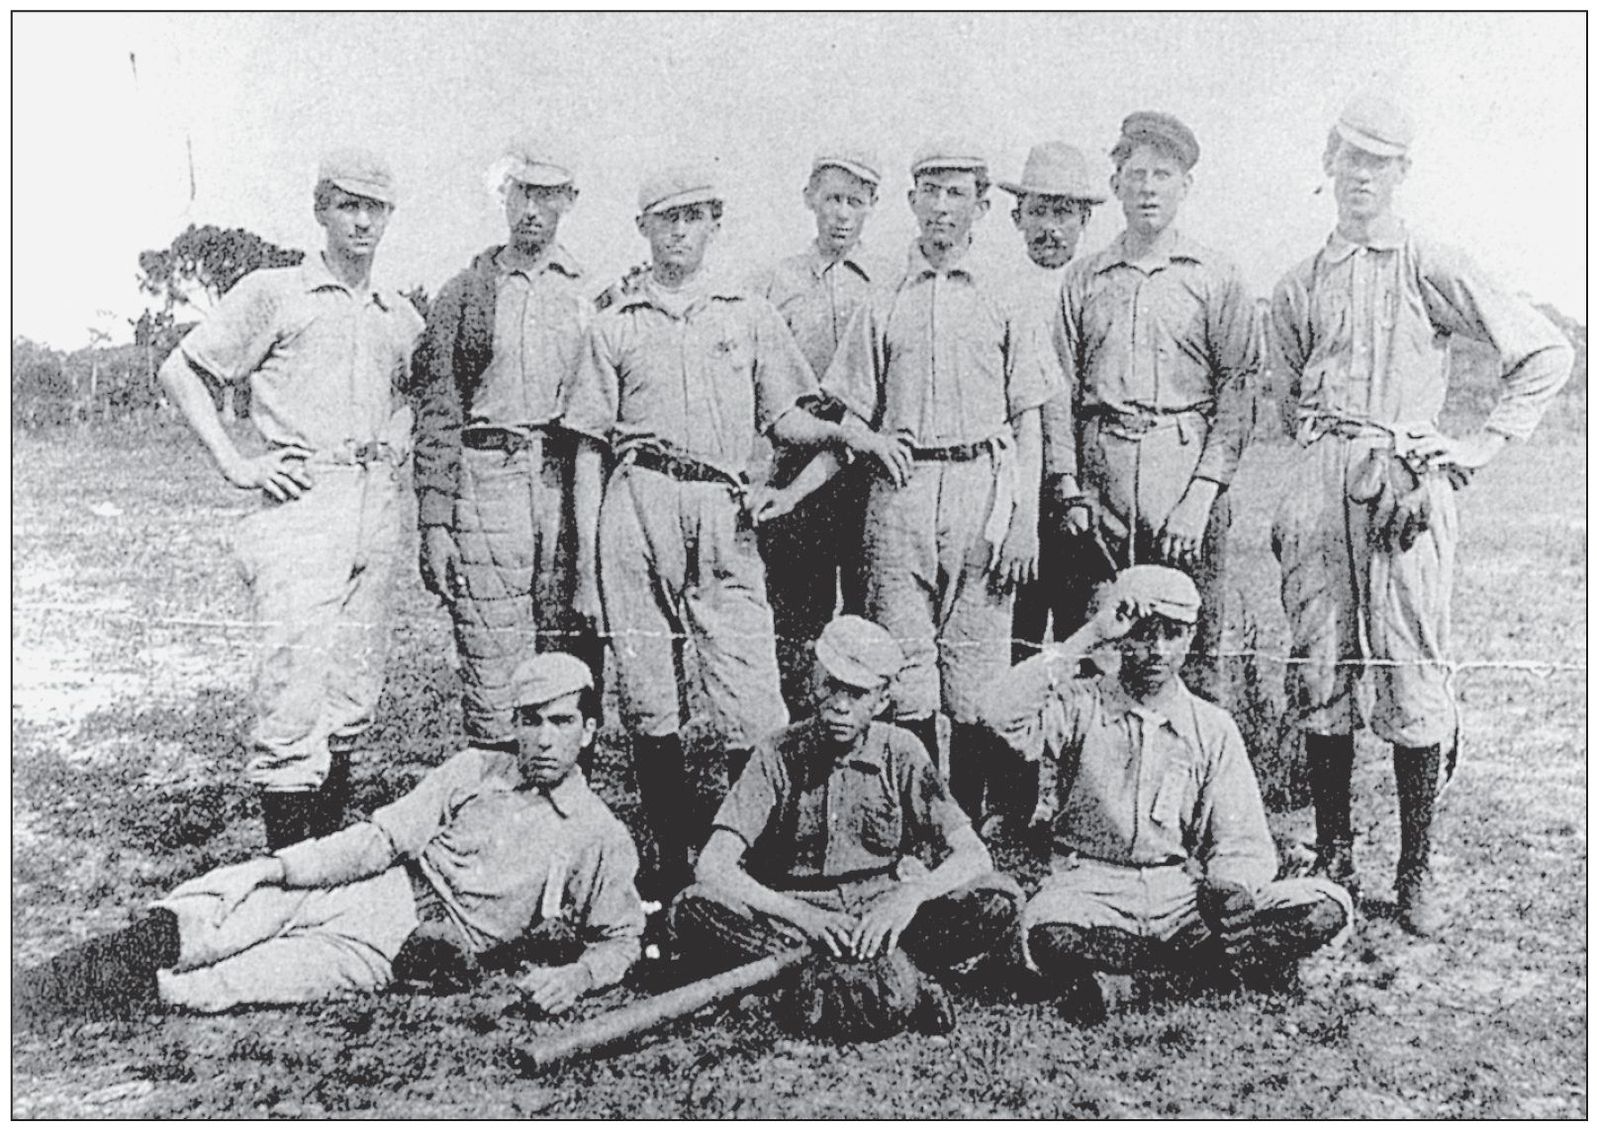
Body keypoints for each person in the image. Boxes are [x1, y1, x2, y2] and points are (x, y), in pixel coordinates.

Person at [1269, 94, 1573, 936]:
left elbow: (1544, 350)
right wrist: (1308, 479)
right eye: (1349, 157)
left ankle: (1416, 868)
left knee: (1410, 664)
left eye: (1379, 162)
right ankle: (1333, 853)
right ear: (1327, 163)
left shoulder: (1427, 261)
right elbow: (1285, 390)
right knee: (1319, 660)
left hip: (1406, 477)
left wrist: (1475, 445)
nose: (1360, 175)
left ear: (1401, 172)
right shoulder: (1300, 280)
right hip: (1324, 475)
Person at [563, 167, 901, 898]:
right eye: (665, 218)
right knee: (650, 690)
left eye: (694, 216)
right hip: (638, 498)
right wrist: (588, 573)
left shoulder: (745, 314)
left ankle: (752, 853)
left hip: (721, 504)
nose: (680, 231)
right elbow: (590, 447)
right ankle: (673, 856)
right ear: (643, 231)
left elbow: (785, 417)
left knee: (751, 694)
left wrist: (859, 437)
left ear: (715, 224)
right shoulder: (614, 322)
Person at [14, 654, 645, 1023]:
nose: (541, 739)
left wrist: (581, 978)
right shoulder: (476, 769)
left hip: (398, 949)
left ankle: (71, 1004)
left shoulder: (600, 837)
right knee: (216, 912)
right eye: (529, 722)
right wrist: (279, 868)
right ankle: (28, 994)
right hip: (376, 885)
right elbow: (379, 839)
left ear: (589, 730)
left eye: (561, 723)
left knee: (228, 982)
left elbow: (621, 937)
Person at [156, 150, 425, 848]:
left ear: (390, 215)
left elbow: (414, 397)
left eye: (375, 207)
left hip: (375, 506)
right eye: (347, 205)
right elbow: (181, 369)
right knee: (292, 694)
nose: (362, 221)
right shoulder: (277, 292)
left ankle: (323, 877)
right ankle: (288, 879)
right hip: (304, 503)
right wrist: (237, 464)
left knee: (350, 692)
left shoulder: (397, 314)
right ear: (320, 211)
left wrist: (396, 435)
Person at [799, 141, 1056, 822]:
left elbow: (1028, 417)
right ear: (911, 202)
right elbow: (852, 410)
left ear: (980, 205)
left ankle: (964, 829)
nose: (941, 207)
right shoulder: (883, 294)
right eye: (929, 192)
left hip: (981, 489)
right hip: (901, 493)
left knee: (975, 677)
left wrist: (1024, 521)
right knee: (905, 672)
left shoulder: (1007, 293)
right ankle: (915, 825)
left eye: (955, 193)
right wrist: (866, 441)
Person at [976, 565, 1353, 1019]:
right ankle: (1195, 975)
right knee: (1046, 934)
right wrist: (1087, 637)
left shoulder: (1211, 727)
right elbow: (996, 713)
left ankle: (1140, 982)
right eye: (1141, 633)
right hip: (1091, 891)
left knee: (1326, 906)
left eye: (1172, 634)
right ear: (1119, 637)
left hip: (1180, 897)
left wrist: (1230, 887)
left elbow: (1244, 841)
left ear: (1190, 638)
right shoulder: (1082, 705)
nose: (1156, 650)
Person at [673, 615, 1023, 1039]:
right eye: (830, 686)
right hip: (792, 921)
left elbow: (973, 853)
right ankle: (895, 979)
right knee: (694, 909)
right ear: (812, 682)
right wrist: (803, 916)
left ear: (881, 700)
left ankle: (806, 984)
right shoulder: (775, 754)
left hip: (883, 916)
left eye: (856, 693)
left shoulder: (903, 752)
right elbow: (713, 865)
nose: (840, 705)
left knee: (999, 897)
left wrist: (910, 897)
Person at [1051, 112, 1260, 704]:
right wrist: (1071, 490)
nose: (1147, 188)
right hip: (1101, 488)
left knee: (1188, 650)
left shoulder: (1216, 278)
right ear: (1115, 184)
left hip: (1184, 477)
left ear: (1185, 187)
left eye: (1162, 175)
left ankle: (1195, 791)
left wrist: (1201, 497)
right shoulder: (1085, 278)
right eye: (1135, 174)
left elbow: (1239, 392)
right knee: (1096, 651)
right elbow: (1059, 391)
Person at [411, 139, 598, 750]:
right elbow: (438, 409)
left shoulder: (588, 295)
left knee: (568, 648)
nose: (533, 211)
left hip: (565, 485)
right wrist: (436, 523)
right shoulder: (466, 292)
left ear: (568, 202)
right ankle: (497, 812)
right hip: (487, 479)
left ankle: (566, 821)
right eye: (522, 194)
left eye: (548, 197)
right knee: (493, 656)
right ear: (504, 197)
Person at [749, 148, 883, 715]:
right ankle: (800, 730)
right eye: (832, 199)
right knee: (796, 616)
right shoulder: (773, 283)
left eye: (856, 202)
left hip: (864, 471)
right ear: (809, 199)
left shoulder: (883, 285)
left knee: (864, 609)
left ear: (872, 207)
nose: (842, 215)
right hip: (795, 461)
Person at [1001, 141, 1109, 664]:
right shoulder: (998, 290)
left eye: (1063, 212)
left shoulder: (1097, 286)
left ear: (1085, 218)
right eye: (1039, 211)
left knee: (1081, 636)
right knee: (1013, 634)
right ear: (1017, 216)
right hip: (1018, 487)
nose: (1050, 227)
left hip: (1084, 489)